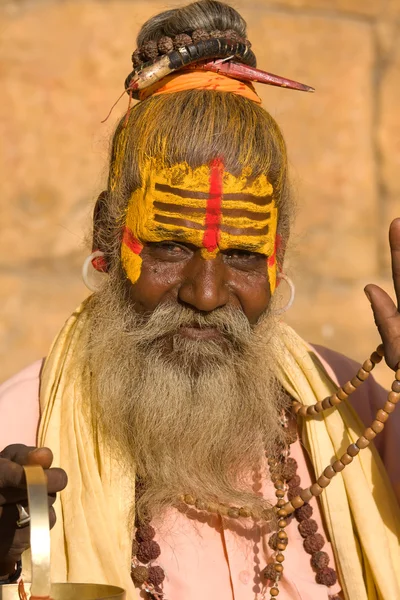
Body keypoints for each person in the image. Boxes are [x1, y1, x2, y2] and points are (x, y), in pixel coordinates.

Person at [0, 1, 399, 599]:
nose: (206, 294)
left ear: (277, 257)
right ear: (107, 235)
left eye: (241, 255)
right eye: (168, 247)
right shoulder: (20, 434)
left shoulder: (362, 416)